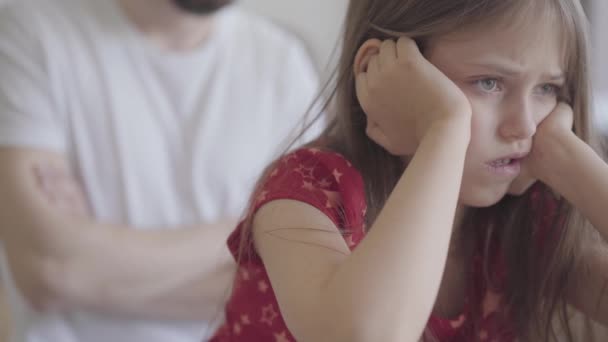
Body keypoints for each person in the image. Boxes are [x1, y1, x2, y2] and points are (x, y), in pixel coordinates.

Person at [210, 0, 608, 341]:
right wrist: (445, 128)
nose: (524, 127)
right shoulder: (308, 189)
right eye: (489, 83)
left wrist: (570, 160)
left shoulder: (524, 217)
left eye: (547, 89)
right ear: (382, 74)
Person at [0, 0, 321, 341]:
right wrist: (249, 229)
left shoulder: (284, 64)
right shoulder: (29, 30)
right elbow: (49, 270)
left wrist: (92, 274)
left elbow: (310, 287)